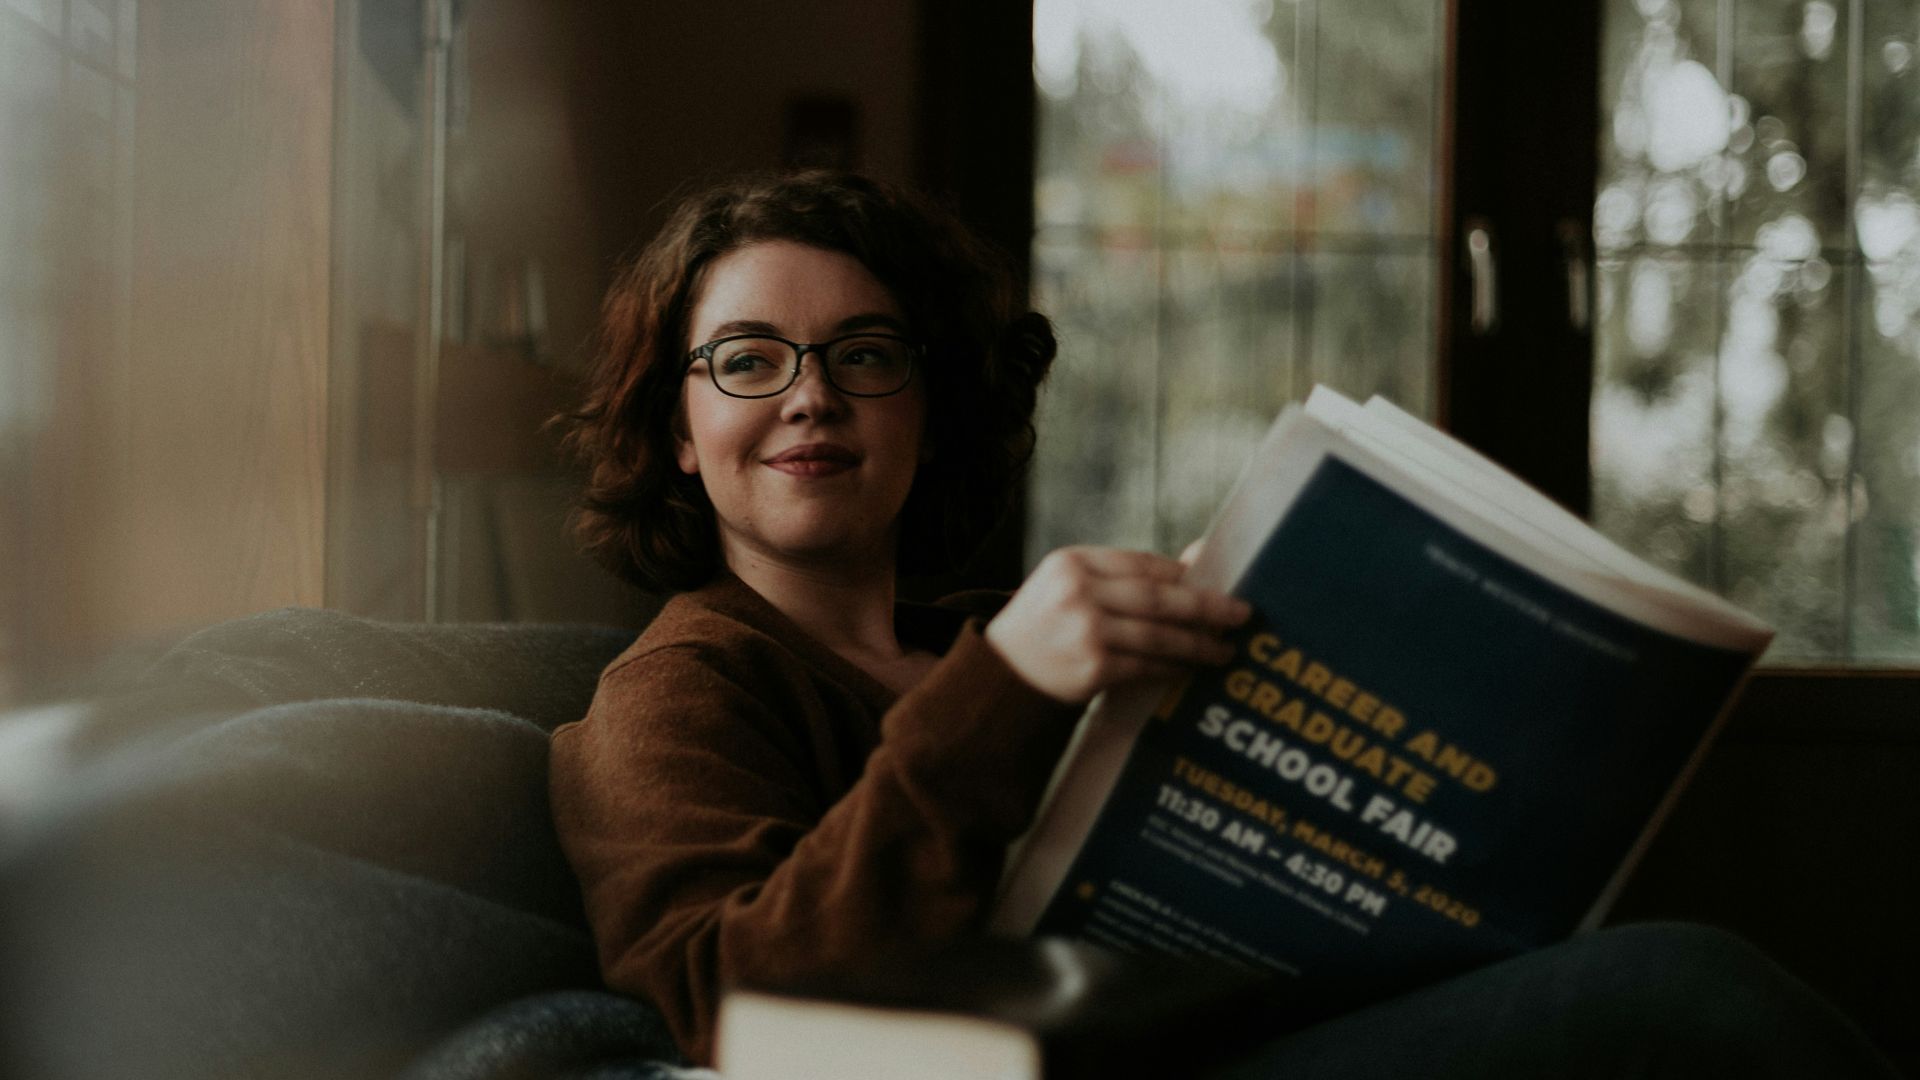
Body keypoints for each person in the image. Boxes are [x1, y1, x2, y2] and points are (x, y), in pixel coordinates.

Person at [548, 170, 1901, 1078]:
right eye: (746, 359)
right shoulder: (679, 688)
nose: (810, 396)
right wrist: (1006, 689)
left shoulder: (1006, 626)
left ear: (929, 403)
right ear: (678, 427)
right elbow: (723, 1002)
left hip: (1263, 1015)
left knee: (1667, 969)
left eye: (866, 353)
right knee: (1682, 995)